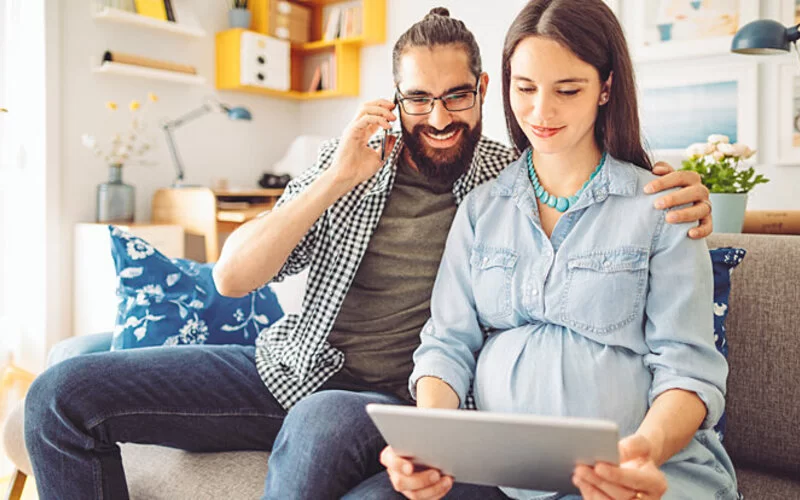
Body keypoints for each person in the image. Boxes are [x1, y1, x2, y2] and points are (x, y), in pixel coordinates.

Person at [23, 6, 714, 500]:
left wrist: (687, 186)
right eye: (418, 99)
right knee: (59, 394)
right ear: (395, 100)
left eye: (455, 97)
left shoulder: (500, 174)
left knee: (323, 421)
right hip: (290, 368)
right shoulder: (358, 166)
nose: (439, 119)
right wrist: (333, 179)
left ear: (480, 90)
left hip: (394, 398)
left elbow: (590, 173)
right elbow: (232, 277)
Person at [369, 1, 738, 499]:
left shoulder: (661, 208)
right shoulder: (481, 209)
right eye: (524, 88)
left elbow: (688, 368)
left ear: (606, 87)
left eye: (568, 89)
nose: (541, 112)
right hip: (506, 477)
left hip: (648, 470)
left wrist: (642, 453)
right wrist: (430, 441)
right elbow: (447, 344)